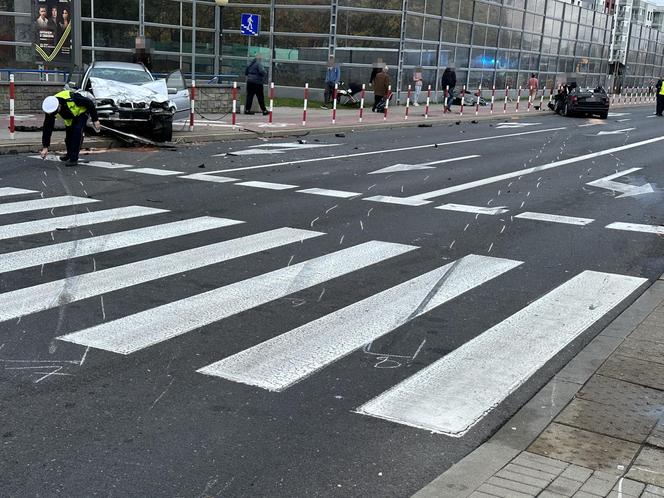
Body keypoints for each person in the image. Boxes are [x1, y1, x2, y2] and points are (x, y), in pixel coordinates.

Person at [40, 91, 100, 167]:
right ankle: (69, 154)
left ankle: (74, 158)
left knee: (77, 133)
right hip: (69, 117)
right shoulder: (50, 109)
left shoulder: (72, 98)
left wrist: (95, 120)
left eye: (55, 112)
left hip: (81, 114)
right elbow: (47, 128)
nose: (53, 115)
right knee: (69, 138)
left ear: (59, 106)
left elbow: (89, 103)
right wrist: (45, 147)